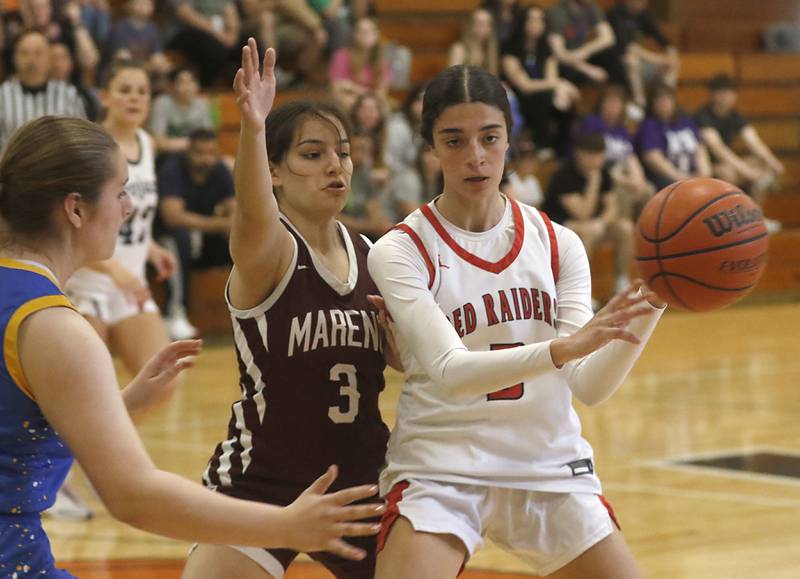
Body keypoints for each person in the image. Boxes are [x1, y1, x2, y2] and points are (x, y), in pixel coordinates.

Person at [0, 115, 383, 577]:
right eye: (121, 191)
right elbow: (135, 497)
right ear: (76, 210)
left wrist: (117, 404)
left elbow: (14, 436)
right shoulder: (56, 327)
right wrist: (285, 525)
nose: (128, 209)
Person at [367, 64, 666, 579]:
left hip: (547, 466)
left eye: (489, 137)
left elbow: (589, 386)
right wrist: (561, 349)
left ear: (510, 140)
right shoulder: (401, 249)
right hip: (441, 466)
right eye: (454, 141)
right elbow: (451, 370)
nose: (475, 156)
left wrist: (657, 300)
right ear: (431, 149)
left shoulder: (558, 243)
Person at [183, 39, 395, 578]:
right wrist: (253, 130)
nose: (334, 165)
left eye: (342, 152)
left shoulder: (377, 257)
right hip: (262, 482)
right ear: (274, 171)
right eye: (312, 153)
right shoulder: (270, 250)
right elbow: (254, 213)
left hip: (361, 485)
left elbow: (412, 361)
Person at [157, 128, 235, 340]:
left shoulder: (220, 170)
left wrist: (231, 226)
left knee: (240, 239)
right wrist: (220, 223)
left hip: (202, 234)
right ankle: (175, 312)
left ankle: (247, 306)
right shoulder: (172, 169)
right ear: (188, 151)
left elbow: (234, 208)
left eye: (211, 153)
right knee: (177, 241)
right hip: (165, 234)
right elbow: (172, 217)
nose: (205, 159)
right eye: (200, 153)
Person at [543, 131, 634, 296]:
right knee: (585, 233)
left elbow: (612, 207)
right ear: (579, 154)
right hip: (560, 227)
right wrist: (593, 182)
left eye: (600, 155)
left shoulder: (603, 173)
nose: (597, 160)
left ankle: (622, 282)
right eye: (591, 155)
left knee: (625, 228)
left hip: (593, 224)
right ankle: (582, 292)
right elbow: (583, 213)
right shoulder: (564, 175)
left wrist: (601, 223)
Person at [695, 74, 784, 232]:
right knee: (728, 173)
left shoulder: (734, 115)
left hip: (729, 162)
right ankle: (732, 222)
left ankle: (757, 216)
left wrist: (774, 163)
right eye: (721, 93)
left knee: (762, 166)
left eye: (729, 93)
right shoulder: (703, 116)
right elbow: (718, 149)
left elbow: (754, 142)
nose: (726, 97)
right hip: (708, 165)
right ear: (713, 94)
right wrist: (747, 171)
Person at [501, 3, 579, 157]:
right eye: (531, 20)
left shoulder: (546, 48)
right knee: (542, 98)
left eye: (540, 20)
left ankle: (561, 152)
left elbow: (551, 79)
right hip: (518, 96)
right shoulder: (510, 47)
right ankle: (541, 146)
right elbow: (524, 85)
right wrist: (561, 84)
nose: (535, 24)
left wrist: (560, 90)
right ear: (522, 22)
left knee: (566, 103)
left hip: (542, 93)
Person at [577, 84, 653, 218]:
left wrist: (638, 179)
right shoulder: (592, 124)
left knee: (647, 190)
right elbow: (592, 159)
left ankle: (644, 232)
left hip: (622, 174)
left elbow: (630, 157)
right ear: (602, 104)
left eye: (617, 103)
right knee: (623, 193)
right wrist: (625, 181)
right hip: (600, 176)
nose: (613, 107)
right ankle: (626, 231)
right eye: (609, 102)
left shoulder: (622, 129)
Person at [0, 30, 85, 147]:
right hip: (12, 164)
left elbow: (81, 139)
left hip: (58, 163)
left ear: (49, 58)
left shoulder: (68, 95)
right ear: (15, 58)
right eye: (24, 53)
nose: (31, 59)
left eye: (38, 53)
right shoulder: (2, 96)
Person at [605, 0, 679, 116]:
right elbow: (629, 47)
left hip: (642, 61)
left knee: (672, 64)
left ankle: (667, 99)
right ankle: (640, 102)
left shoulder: (644, 15)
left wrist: (671, 54)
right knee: (631, 59)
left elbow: (662, 39)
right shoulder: (615, 14)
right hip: (617, 64)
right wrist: (659, 59)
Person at [636, 83, 711, 190]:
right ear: (652, 103)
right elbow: (654, 159)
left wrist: (704, 174)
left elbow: (700, 148)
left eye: (667, 99)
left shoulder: (686, 121)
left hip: (692, 174)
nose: (664, 103)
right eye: (659, 100)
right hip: (666, 178)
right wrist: (682, 178)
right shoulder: (649, 126)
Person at [546, 0, 625, 87]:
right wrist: (588, 69)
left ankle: (619, 97)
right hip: (564, 61)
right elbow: (559, 53)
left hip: (581, 55)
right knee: (569, 71)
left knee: (611, 56)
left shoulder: (591, 7)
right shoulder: (557, 12)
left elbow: (608, 38)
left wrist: (584, 52)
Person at [448, 8, 499, 76]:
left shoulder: (490, 50)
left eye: (487, 24)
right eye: (479, 23)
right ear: (470, 25)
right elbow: (452, 78)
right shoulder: (459, 49)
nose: (482, 27)